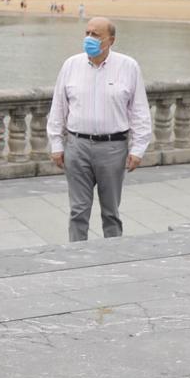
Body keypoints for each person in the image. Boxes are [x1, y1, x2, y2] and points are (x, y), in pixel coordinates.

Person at [44, 17, 152, 240]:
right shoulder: (70, 65)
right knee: (78, 211)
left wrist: (138, 149)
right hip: (77, 146)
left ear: (110, 40)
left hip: (113, 148)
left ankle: (111, 258)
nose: (89, 39)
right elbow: (58, 107)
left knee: (111, 212)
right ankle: (77, 256)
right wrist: (56, 143)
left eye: (96, 35)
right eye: (87, 33)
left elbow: (139, 111)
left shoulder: (128, 66)